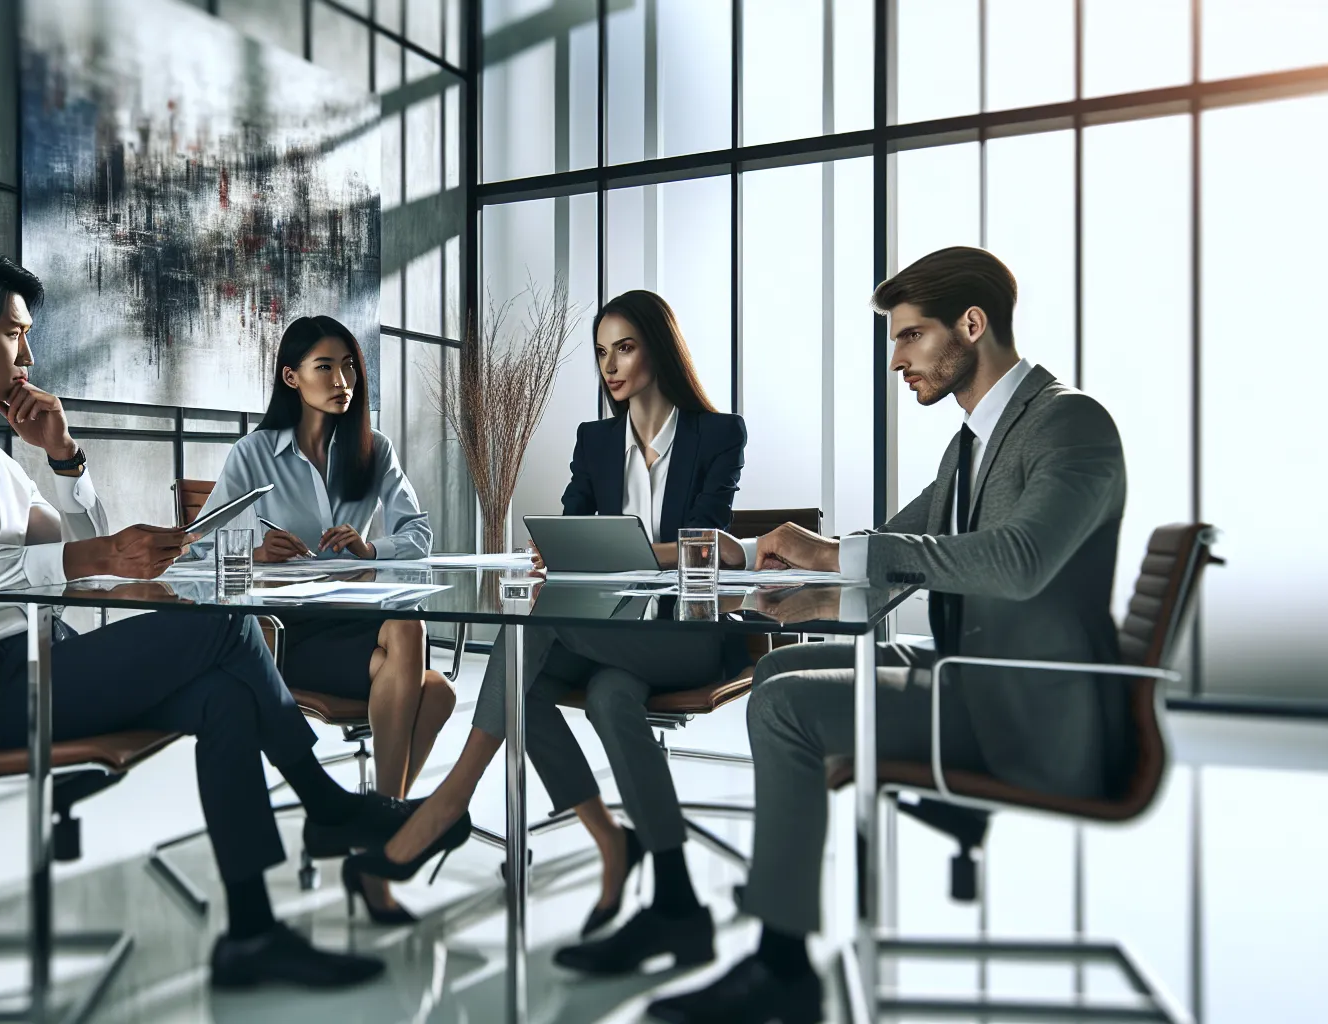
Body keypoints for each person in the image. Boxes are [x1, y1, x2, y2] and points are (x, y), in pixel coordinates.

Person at [0, 246, 412, 990]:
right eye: (14, 333)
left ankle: (254, 936)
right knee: (225, 624)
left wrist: (65, 458)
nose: (28, 354)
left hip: (46, 662)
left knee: (225, 695)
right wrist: (97, 552)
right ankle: (326, 803)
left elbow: (80, 552)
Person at [649, 247, 1130, 1023]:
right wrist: (801, 580)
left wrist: (841, 558)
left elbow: (1019, 562)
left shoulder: (1070, 424)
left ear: (972, 326)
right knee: (775, 677)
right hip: (978, 677)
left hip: (1031, 713)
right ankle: (784, 916)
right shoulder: (976, 440)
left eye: (910, 337)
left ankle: (781, 969)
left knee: (784, 709)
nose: (898, 359)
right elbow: (897, 545)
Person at [346, 289, 750, 972]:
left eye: (624, 346)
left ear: (658, 346)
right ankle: (648, 877)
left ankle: (446, 805)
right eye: (601, 352)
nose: (611, 365)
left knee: (527, 638)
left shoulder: (718, 433)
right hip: (604, 636)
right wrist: (559, 551)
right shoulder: (596, 443)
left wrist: (627, 551)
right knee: (588, 696)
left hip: (687, 636)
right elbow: (565, 533)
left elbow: (703, 542)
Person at [193, 314, 454, 923]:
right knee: (435, 693)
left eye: (349, 367)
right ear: (292, 376)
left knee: (410, 633)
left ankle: (374, 831)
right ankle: (383, 841)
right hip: (284, 633)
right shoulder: (253, 455)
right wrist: (254, 555)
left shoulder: (374, 450)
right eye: (325, 367)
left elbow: (419, 532)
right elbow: (198, 550)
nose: (343, 380)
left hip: (356, 615)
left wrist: (373, 550)